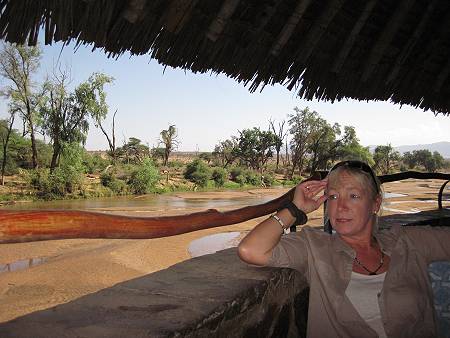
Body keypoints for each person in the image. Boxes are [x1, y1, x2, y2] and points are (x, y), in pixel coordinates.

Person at [238, 160, 450, 338]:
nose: (341, 207)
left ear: (375, 204)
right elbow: (251, 250)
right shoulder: (314, 246)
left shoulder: (408, 241)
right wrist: (295, 210)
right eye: (333, 197)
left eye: (354, 196)